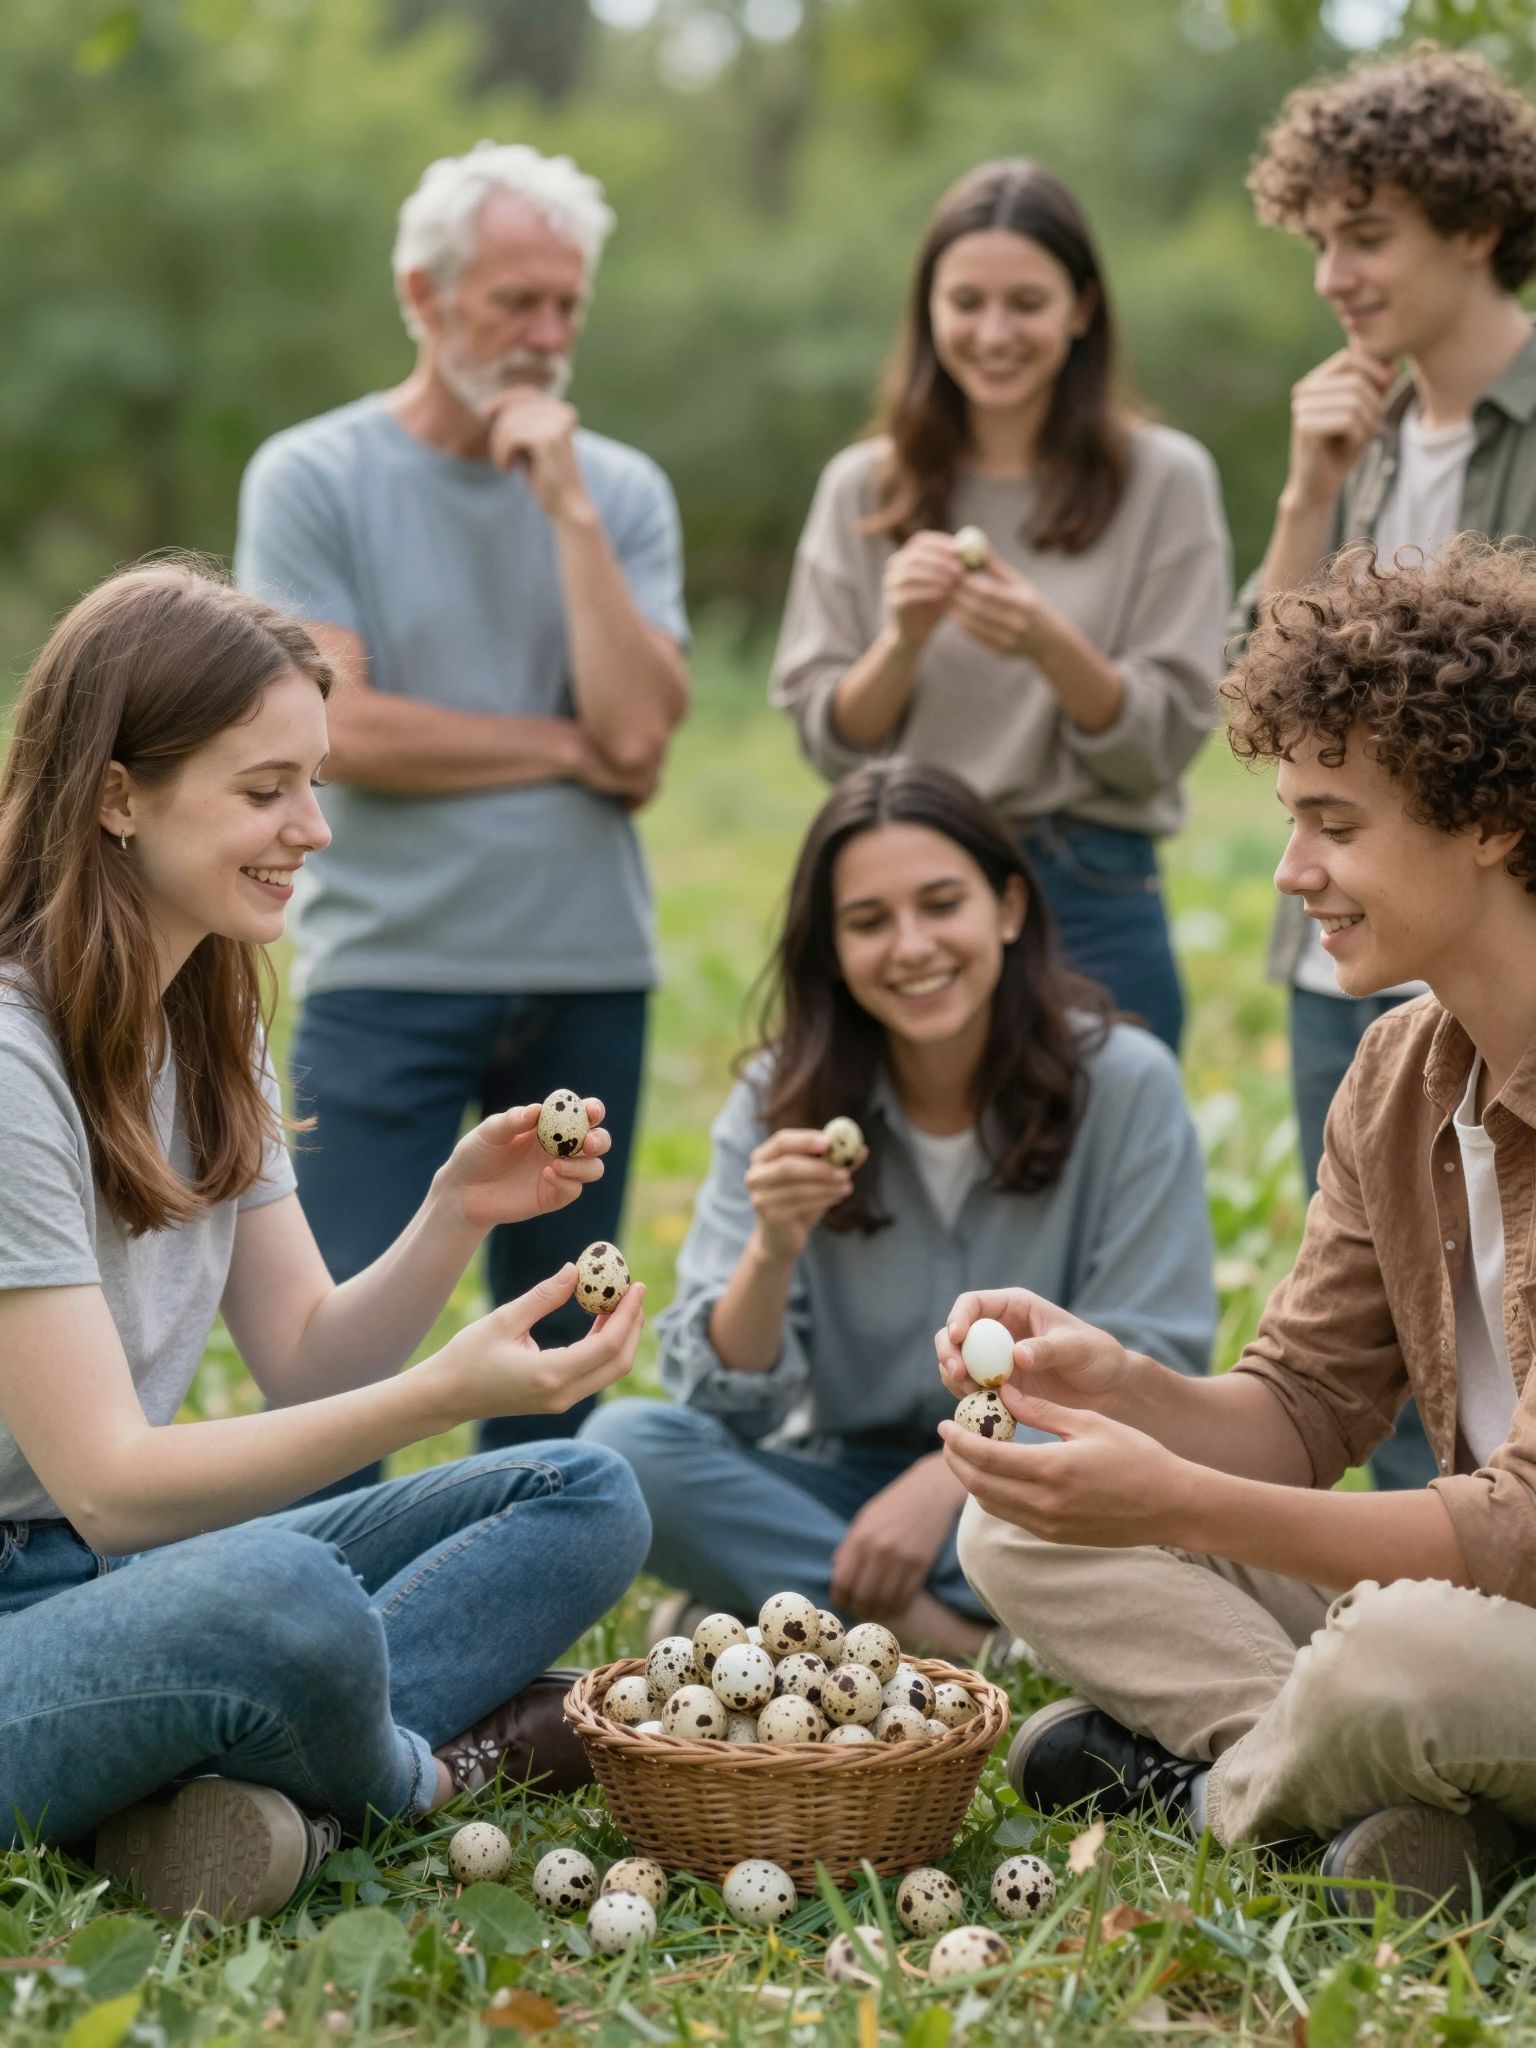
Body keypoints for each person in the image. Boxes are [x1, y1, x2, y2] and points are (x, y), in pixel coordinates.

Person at [0, 562, 651, 1923]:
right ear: (117, 794)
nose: (314, 828)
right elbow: (113, 1484)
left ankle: (202, 1801)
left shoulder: (205, 1018)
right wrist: (440, 1393)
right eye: (263, 791)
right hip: (52, 1604)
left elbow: (304, 1359)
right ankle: (418, 1778)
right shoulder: (12, 1066)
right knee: (283, 1594)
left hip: (110, 1585)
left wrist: (451, 1214)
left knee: (587, 1499)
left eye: (314, 782)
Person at [944, 537, 1536, 1914]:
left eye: (1336, 824)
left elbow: (1522, 1533)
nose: (1290, 872)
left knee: (1399, 1659)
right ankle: (1400, 1814)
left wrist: (1181, 1497)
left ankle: (1213, 1792)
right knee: (1020, 1520)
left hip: (1475, 1629)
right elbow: (1307, 1403)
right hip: (1483, 1624)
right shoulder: (1398, 1075)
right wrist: (1116, 1387)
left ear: (1493, 816)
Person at [235, 142, 689, 1479]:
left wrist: (567, 509)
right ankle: (325, 1646)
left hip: (588, 972)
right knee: (327, 1369)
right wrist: (570, 744)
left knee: (558, 1369)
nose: (546, 338)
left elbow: (644, 734)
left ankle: (525, 1664)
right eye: (513, 305)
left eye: (566, 308)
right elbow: (343, 729)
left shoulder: (624, 491)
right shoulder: (312, 476)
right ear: (423, 297)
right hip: (388, 972)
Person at [584, 761, 1215, 1662]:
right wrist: (772, 1249)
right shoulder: (781, 1101)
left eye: (941, 903)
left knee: (1140, 1519)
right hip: (837, 1485)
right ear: (831, 949)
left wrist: (945, 1477)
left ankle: (791, 1613)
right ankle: (953, 1642)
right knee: (628, 1450)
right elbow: (724, 1406)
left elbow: (1153, 1362)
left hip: (1037, 1481)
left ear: (1008, 908)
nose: (912, 946)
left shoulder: (1127, 1084)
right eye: (869, 922)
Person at [1242, 45, 1536, 1487]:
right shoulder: (1352, 440)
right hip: (1352, 962)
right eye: (1319, 241)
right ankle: (1425, 1678)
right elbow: (1270, 691)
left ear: (1474, 225)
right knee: (1406, 1351)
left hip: (1503, 918)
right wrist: (1307, 491)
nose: (1334, 276)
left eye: (1366, 235)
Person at [771, 159, 1231, 1054]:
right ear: (928, 311)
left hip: (1092, 887)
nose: (993, 333)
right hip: (914, 889)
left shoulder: (1165, 480)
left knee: (1113, 1173)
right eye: (965, 302)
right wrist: (901, 641)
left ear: (1082, 309)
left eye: (1026, 302)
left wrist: (1048, 645)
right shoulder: (865, 487)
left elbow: (1165, 745)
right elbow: (829, 743)